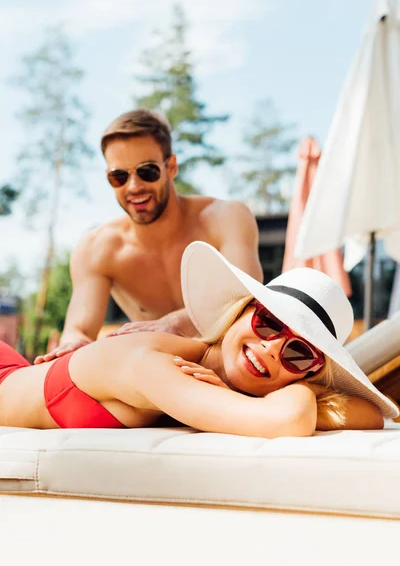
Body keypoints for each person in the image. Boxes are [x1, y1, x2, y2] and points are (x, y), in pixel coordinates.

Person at [0, 242, 397, 435]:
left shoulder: (208, 380)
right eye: (269, 324)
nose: (273, 348)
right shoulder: (151, 362)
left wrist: (270, 388)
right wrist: (293, 387)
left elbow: (370, 416)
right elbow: (289, 418)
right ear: (241, 310)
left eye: (299, 353)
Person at [35, 109, 263, 364]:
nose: (133, 186)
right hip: (158, 370)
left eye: (147, 171)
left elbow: (247, 297)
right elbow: (78, 329)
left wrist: (174, 323)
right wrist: (74, 345)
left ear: (172, 167)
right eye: (119, 176)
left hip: (235, 365)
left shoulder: (225, 218)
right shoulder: (97, 249)